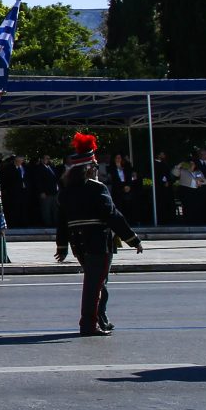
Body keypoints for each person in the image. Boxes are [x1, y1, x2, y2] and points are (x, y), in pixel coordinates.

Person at [56, 132, 142, 336]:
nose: (97, 170)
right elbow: (112, 215)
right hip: (98, 242)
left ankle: (100, 318)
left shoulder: (66, 190)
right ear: (89, 168)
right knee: (94, 285)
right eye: (94, 166)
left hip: (78, 244)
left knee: (98, 282)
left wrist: (62, 246)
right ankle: (89, 324)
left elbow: (61, 221)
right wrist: (133, 239)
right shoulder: (97, 188)